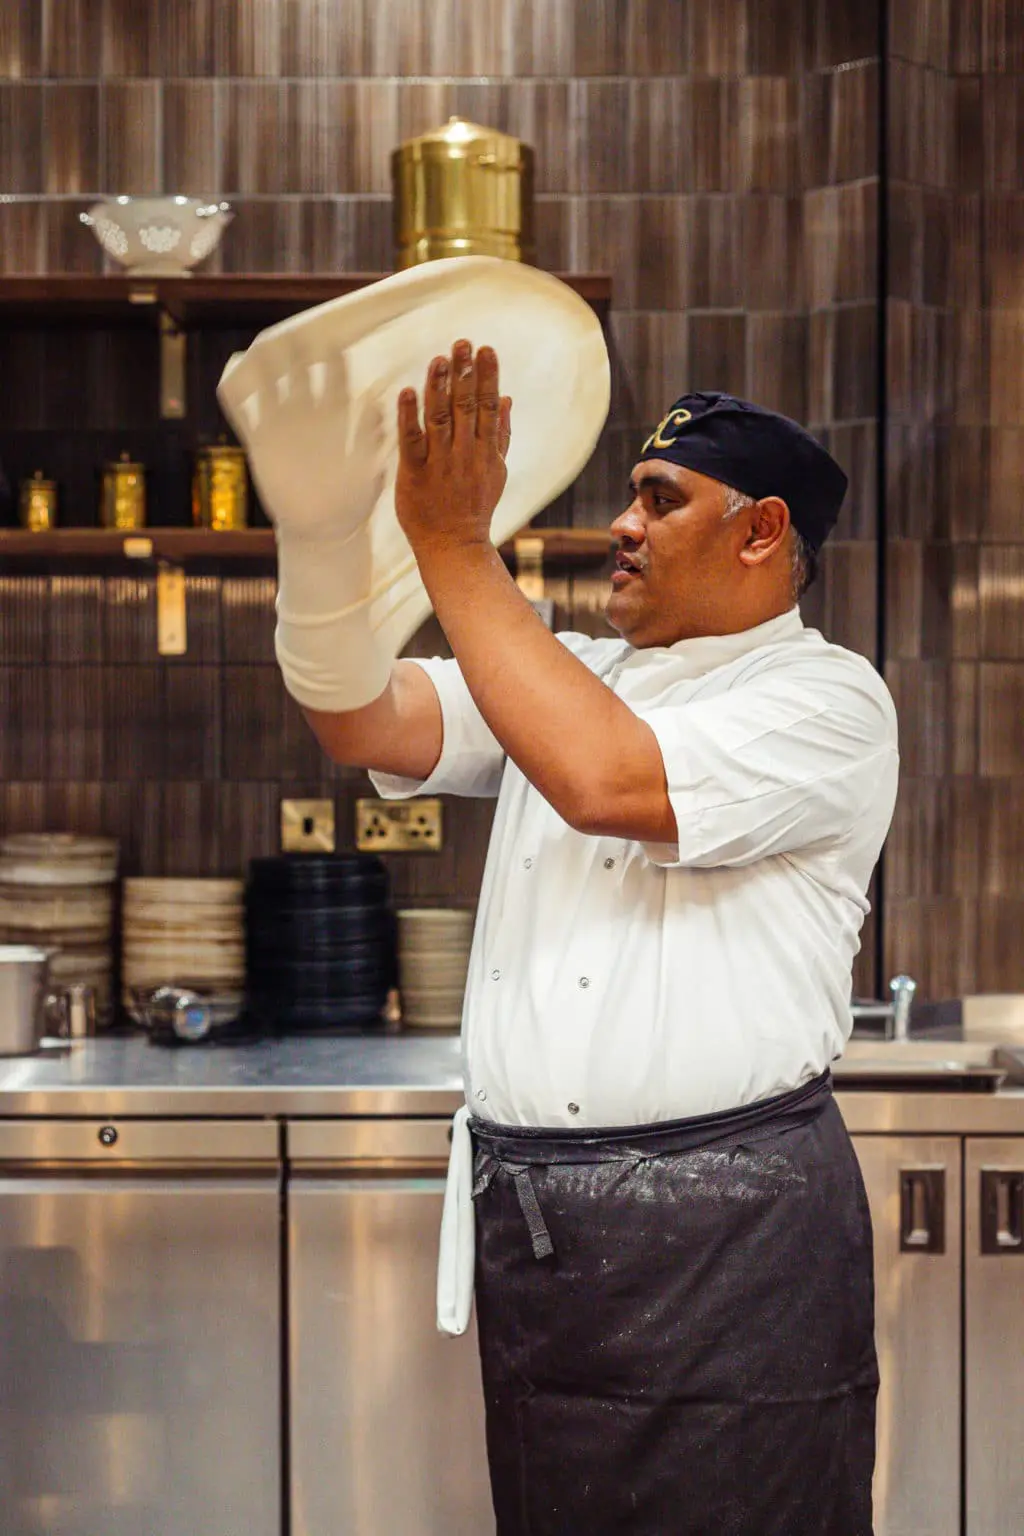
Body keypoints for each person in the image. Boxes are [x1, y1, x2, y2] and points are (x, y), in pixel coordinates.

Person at [301, 345, 898, 1536]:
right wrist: (321, 549)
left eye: (659, 500)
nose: (621, 526)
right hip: (543, 1242)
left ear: (762, 531)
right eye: (630, 495)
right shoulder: (563, 675)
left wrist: (455, 544)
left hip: (731, 1242)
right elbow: (360, 718)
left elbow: (603, 779)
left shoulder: (828, 701)